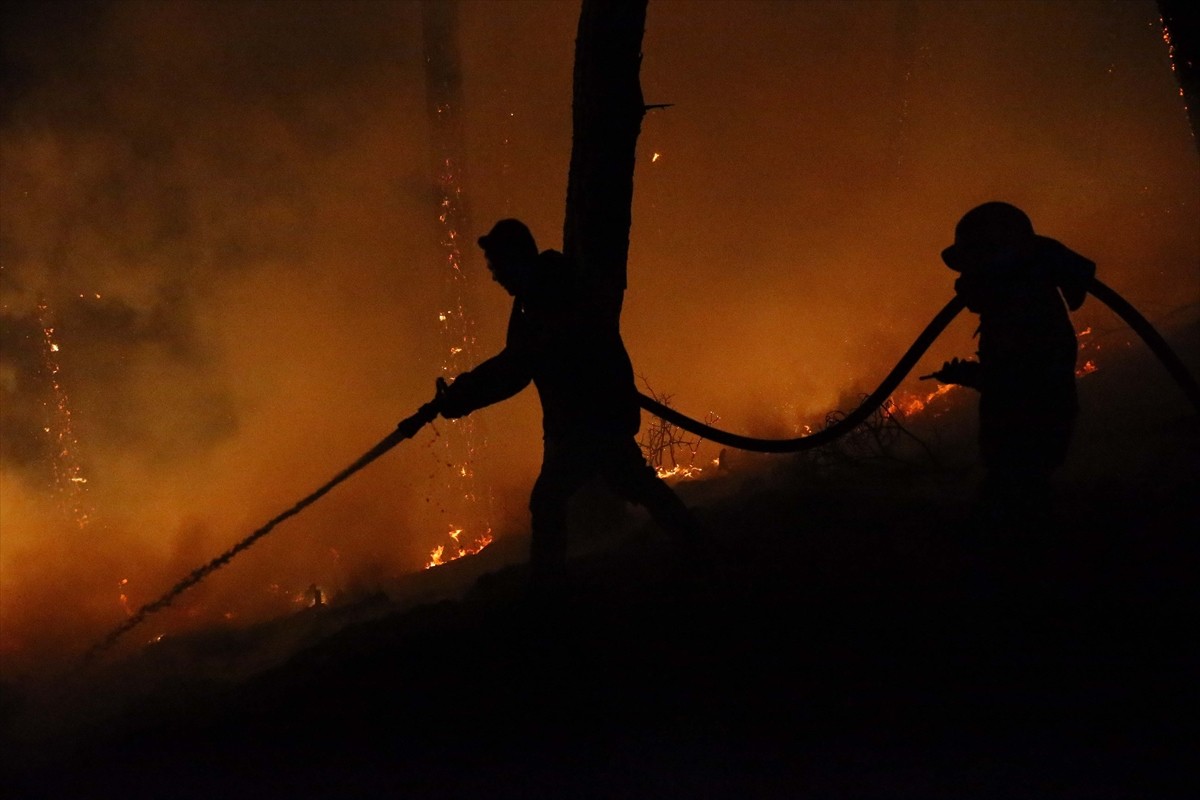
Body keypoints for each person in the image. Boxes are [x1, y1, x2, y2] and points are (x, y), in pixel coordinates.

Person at [437, 218, 704, 596]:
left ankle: (548, 592)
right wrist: (460, 395)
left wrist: (460, 397)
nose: (495, 277)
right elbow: (515, 363)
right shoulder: (535, 296)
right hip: (589, 418)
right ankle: (697, 544)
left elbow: (516, 367)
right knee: (632, 483)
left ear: (516, 260)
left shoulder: (550, 293)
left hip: (593, 418)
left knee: (550, 499)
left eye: (496, 267)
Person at [928, 202, 1095, 527]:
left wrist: (973, 375)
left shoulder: (1025, 306)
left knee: (1010, 533)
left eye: (970, 264)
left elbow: (1023, 382)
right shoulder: (1018, 301)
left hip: (1025, 449)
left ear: (994, 258)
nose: (963, 279)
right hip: (1024, 450)